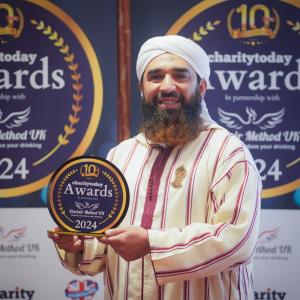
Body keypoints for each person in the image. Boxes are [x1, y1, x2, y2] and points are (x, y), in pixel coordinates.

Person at [48, 35, 261, 300]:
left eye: (181, 76)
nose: (167, 87)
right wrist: (79, 244)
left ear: (202, 88)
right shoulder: (121, 155)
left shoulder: (228, 152)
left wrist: (151, 244)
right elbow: (106, 245)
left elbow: (237, 241)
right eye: (156, 77)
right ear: (142, 87)